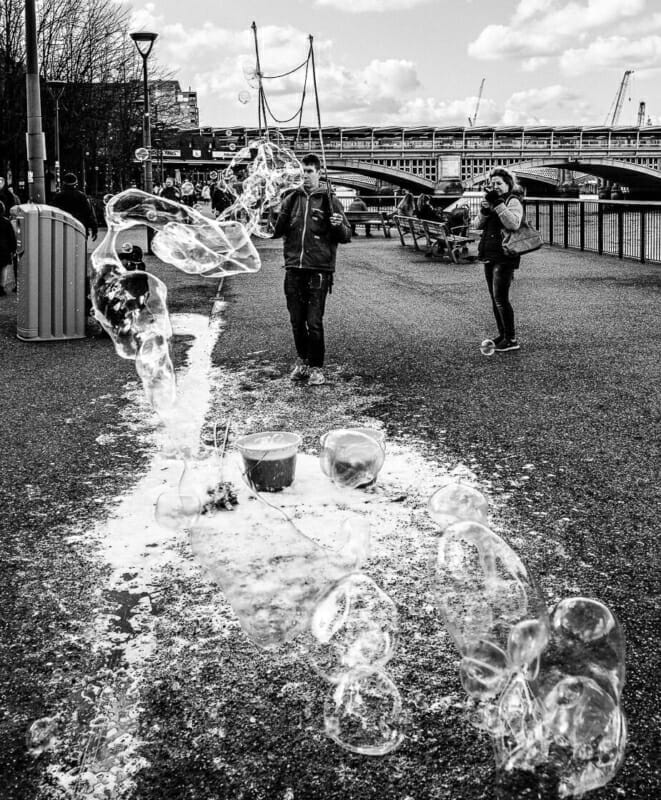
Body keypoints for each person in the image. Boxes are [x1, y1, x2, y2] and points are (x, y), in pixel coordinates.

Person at [271, 153, 351, 386]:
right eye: (301, 172)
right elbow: (276, 231)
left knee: (314, 321)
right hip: (294, 267)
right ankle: (303, 361)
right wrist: (273, 212)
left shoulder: (329, 200)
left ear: (318, 173)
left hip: (318, 269)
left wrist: (338, 226)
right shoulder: (291, 199)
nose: (304, 176)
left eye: (309, 172)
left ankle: (316, 367)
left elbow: (346, 235)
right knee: (296, 320)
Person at [473, 167, 524, 352]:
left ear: (508, 184)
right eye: (492, 184)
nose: (495, 186)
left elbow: (513, 223)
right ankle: (502, 334)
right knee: (495, 299)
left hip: (505, 256)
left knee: (501, 299)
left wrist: (498, 203)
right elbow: (476, 225)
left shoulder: (513, 201)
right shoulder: (491, 202)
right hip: (489, 254)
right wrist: (485, 210)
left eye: (499, 184)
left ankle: (511, 339)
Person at [50, 173, 98, 240]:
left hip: (63, 229)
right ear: (76, 184)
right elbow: (89, 214)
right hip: (80, 229)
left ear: (63, 183)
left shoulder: (58, 197)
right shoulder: (82, 196)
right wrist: (94, 229)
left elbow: (52, 213)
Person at [0, 201, 17, 296]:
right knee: (3, 268)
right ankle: (1, 287)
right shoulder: (6, 222)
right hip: (3, 249)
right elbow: (11, 237)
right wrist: (13, 249)